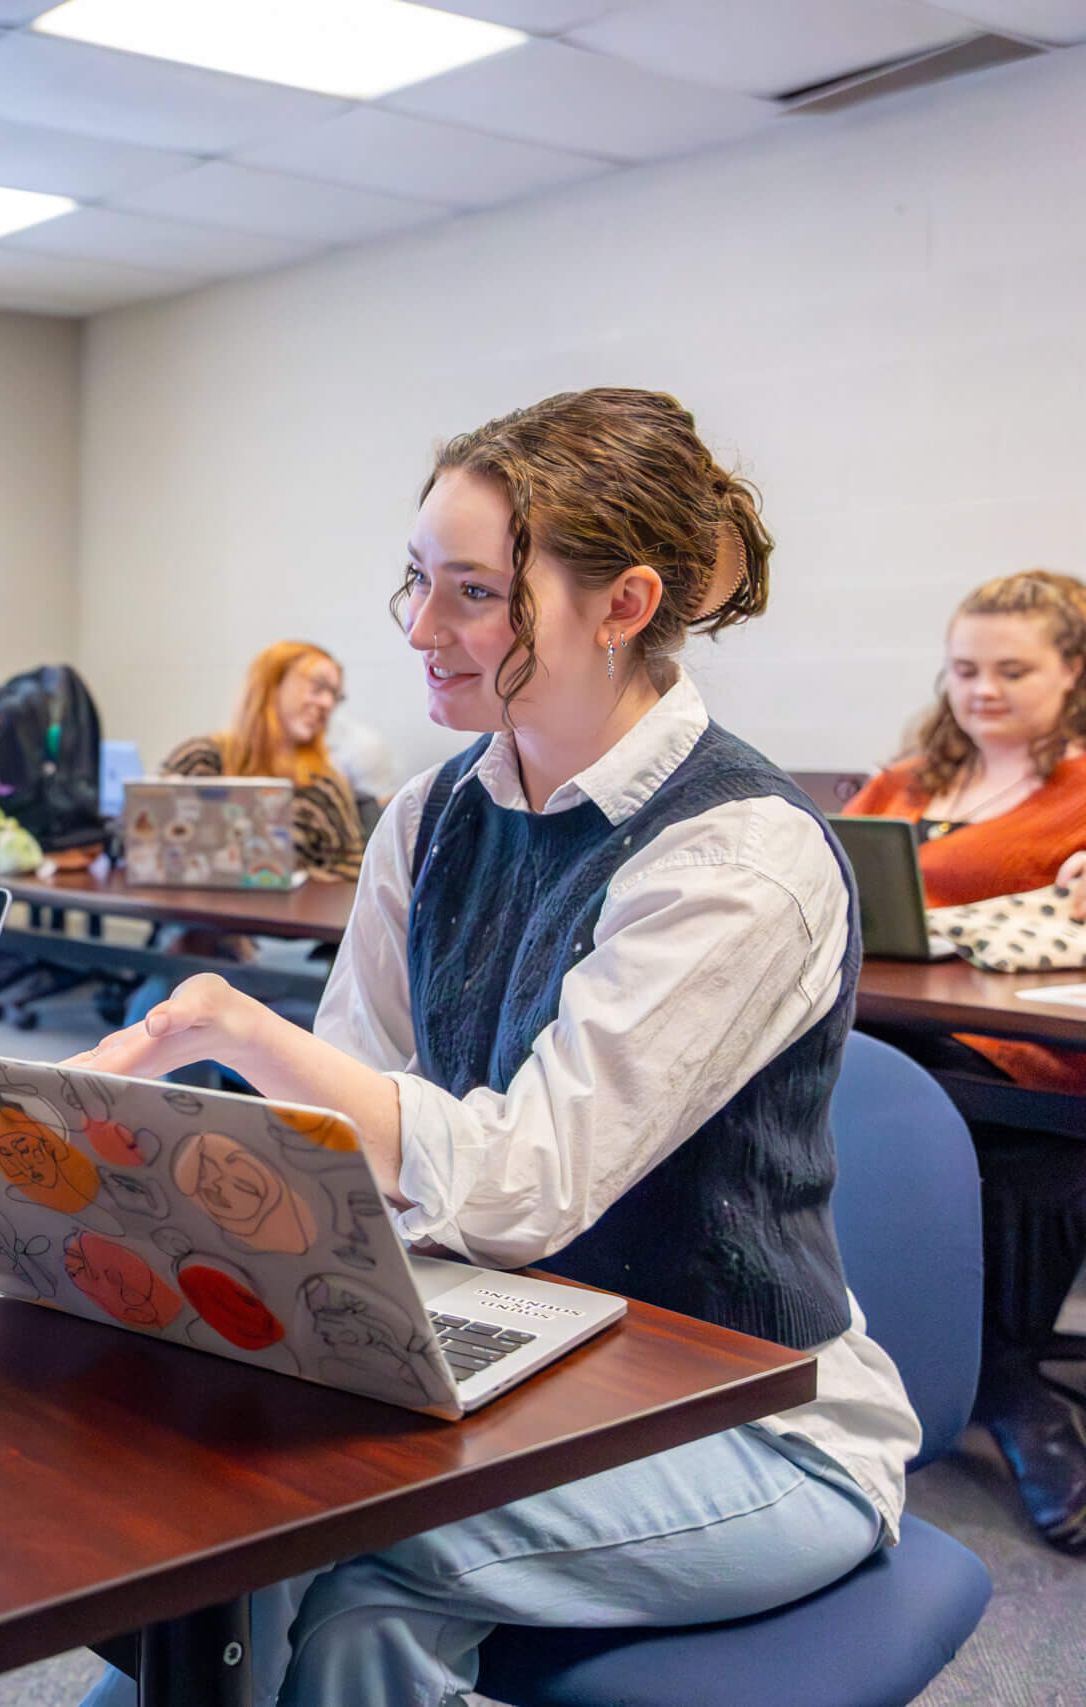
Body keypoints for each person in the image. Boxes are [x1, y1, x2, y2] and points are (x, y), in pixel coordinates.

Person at [76, 389, 918, 1706]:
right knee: (258, 1558)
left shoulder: (737, 856)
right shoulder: (435, 811)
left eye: (472, 590)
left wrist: (241, 1032)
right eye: (417, 579)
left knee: (319, 1559)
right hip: (518, 1357)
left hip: (753, 1425)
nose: (418, 627)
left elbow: (524, 1185)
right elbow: (349, 1124)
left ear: (625, 603)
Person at [841, 568, 1086, 1553]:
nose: (981, 690)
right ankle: (997, 1383)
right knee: (841, 1061)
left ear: (1072, 673)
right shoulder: (907, 781)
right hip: (889, 1031)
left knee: (888, 1077)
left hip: (1026, 1057)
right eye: (963, 670)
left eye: (1011, 670)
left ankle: (994, 1382)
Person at [159, 640, 367, 880]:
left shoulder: (323, 785)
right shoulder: (199, 760)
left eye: (335, 695)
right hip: (196, 913)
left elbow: (352, 870)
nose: (327, 704)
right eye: (318, 687)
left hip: (286, 916)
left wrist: (296, 880)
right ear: (272, 685)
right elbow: (141, 839)